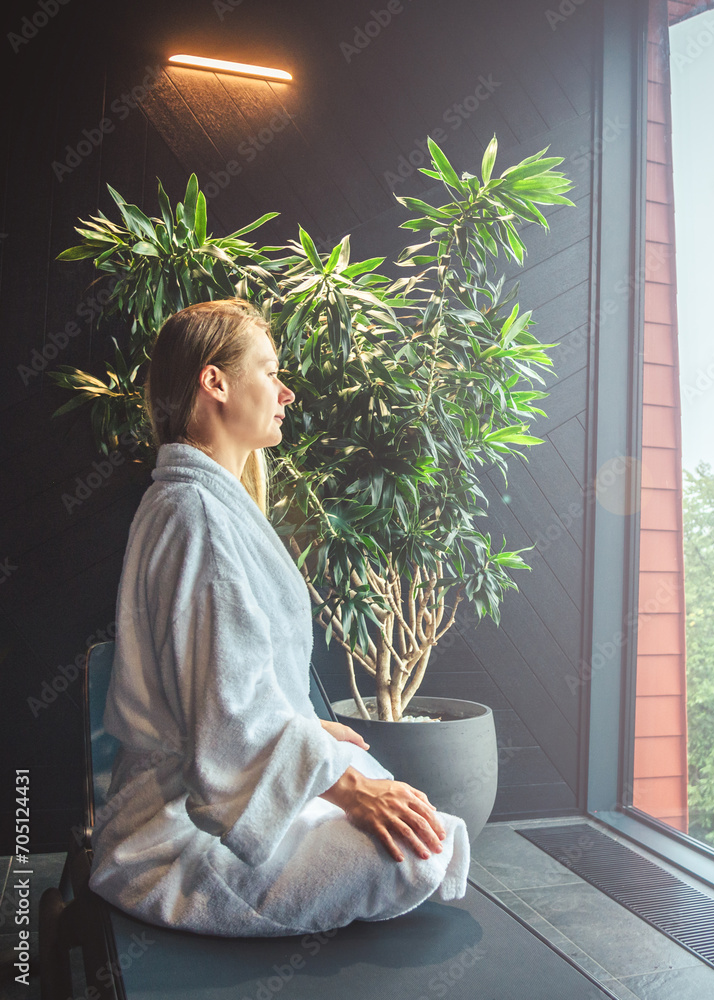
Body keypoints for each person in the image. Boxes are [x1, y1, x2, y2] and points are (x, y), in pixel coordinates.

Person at [88, 298, 470, 937]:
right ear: (216, 382)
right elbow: (227, 715)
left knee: (412, 818)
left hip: (208, 794)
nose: (286, 391)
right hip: (170, 840)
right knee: (416, 855)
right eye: (269, 371)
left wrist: (312, 735)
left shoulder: (193, 503)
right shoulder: (198, 518)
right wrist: (341, 784)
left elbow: (209, 691)